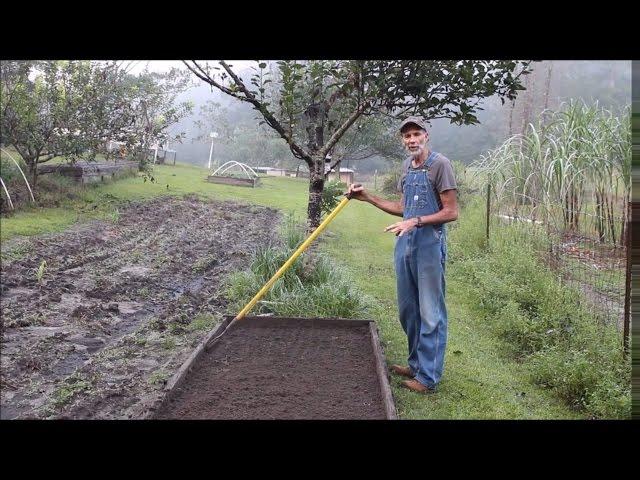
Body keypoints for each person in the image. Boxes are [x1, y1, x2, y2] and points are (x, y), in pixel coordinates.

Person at [348, 116, 458, 393]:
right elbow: (403, 207)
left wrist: (416, 221)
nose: (411, 140)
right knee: (409, 310)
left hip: (429, 245)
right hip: (405, 244)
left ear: (426, 136)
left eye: (416, 134)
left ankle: (428, 378)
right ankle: (416, 364)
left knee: (430, 311)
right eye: (406, 136)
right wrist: (368, 198)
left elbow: (451, 212)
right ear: (403, 140)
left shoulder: (440, 165)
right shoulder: (407, 167)